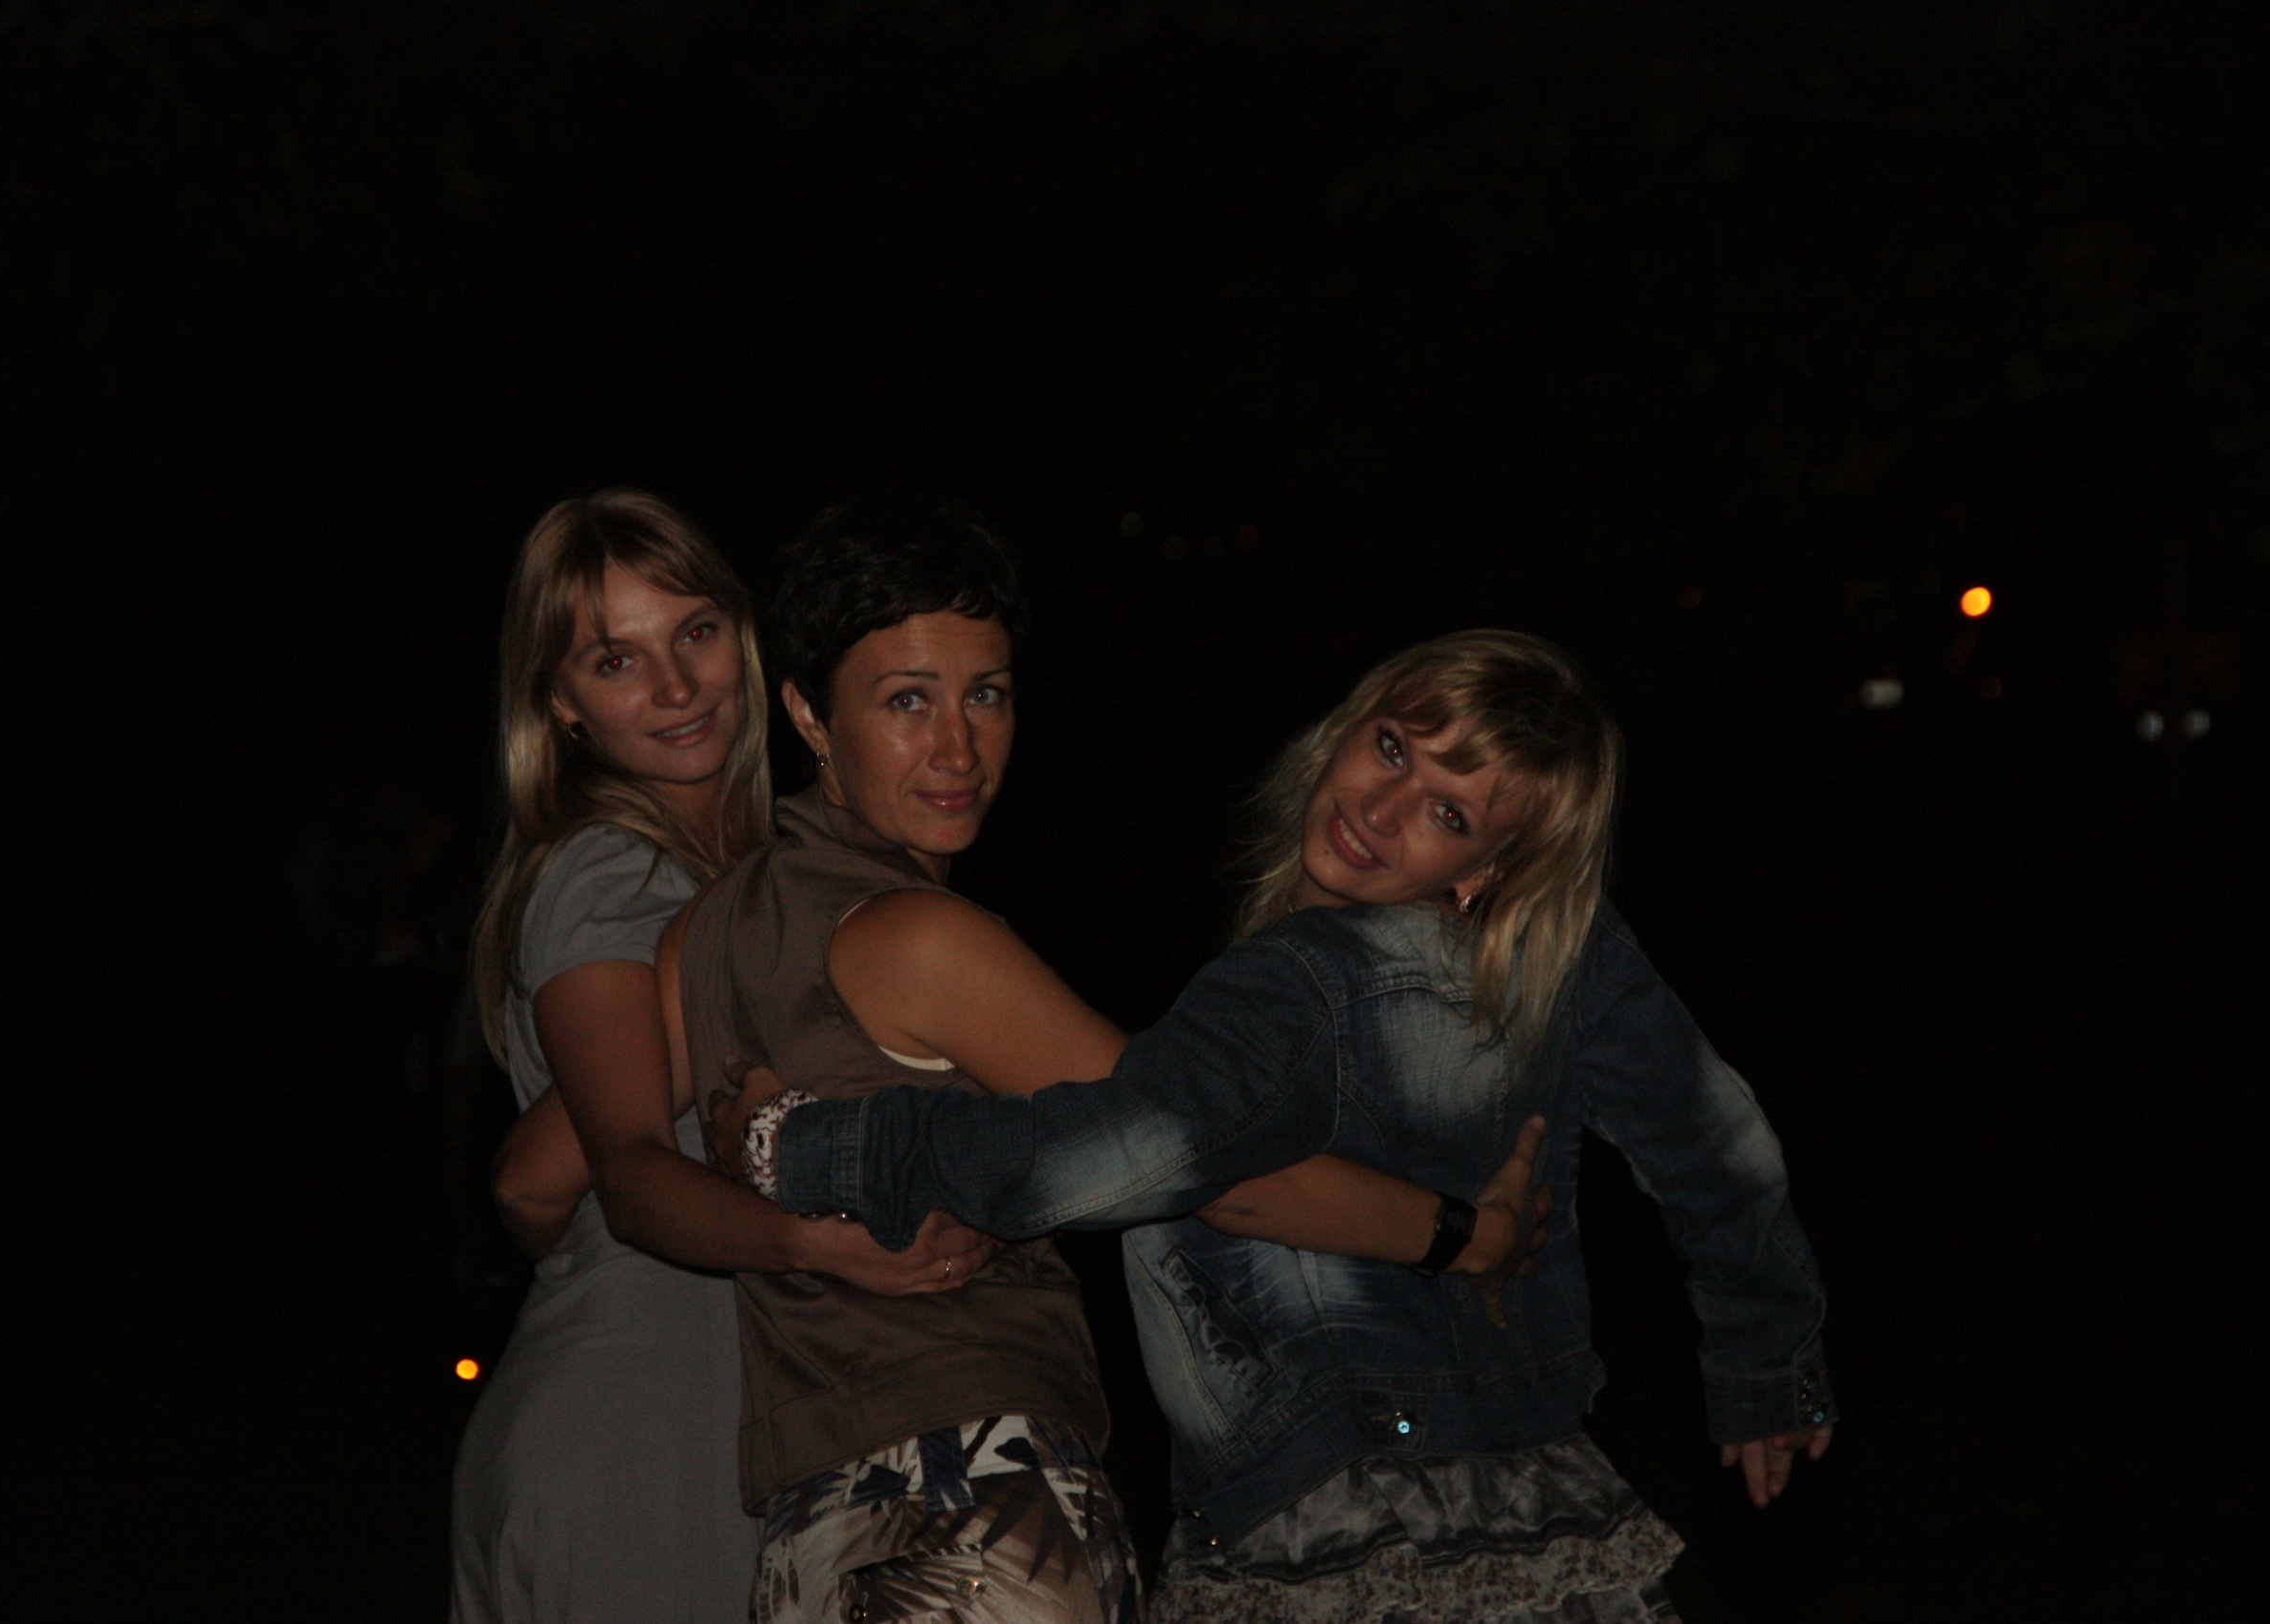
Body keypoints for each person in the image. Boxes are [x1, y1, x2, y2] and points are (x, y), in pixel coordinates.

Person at [729, 629, 1837, 1623]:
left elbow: (1120, 1154)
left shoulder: (1296, 985)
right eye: (1393, 749)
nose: (1382, 809)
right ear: (1349, 726)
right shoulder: (1565, 958)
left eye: (1447, 814)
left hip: (1342, 1525)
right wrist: (1764, 1361)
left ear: (1487, 871)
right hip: (1540, 1503)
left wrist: (817, 1146)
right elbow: (1720, 1146)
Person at [656, 495, 1550, 1624]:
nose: (958, 748)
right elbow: (1214, 1170)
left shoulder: (699, 932)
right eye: (907, 701)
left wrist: (768, 1172)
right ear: (807, 713)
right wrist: (1468, 1236)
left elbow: (590, 1173)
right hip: (975, 1501)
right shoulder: (921, 938)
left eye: (986, 694)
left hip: (811, 1535)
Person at [449, 490, 991, 1624]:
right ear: (558, 702)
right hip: (638, 1431)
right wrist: (817, 1243)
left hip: (708, 1422)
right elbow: (547, 1178)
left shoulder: (743, 871)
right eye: (616, 660)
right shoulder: (616, 872)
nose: (677, 686)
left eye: (694, 632)